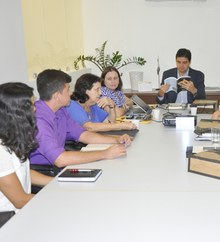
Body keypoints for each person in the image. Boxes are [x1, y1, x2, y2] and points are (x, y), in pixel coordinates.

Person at [30, 69, 132, 168]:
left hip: (59, 164)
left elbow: (83, 135)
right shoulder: (39, 120)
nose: (71, 93)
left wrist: (116, 140)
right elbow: (60, 159)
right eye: (68, 89)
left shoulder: (61, 110)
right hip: (45, 170)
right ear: (57, 96)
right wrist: (105, 153)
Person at [0, 82, 52, 226]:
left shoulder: (11, 137)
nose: (35, 110)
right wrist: (56, 198)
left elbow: (21, 173)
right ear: (15, 111)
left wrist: (55, 182)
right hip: (7, 221)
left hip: (22, 213)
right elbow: (19, 200)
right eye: (31, 105)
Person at [66, 73, 136, 132]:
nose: (100, 93)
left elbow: (112, 121)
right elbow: (90, 127)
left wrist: (112, 106)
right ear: (85, 90)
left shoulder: (94, 104)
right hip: (79, 145)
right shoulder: (72, 105)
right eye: (97, 90)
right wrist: (121, 126)